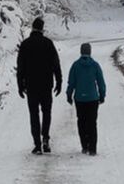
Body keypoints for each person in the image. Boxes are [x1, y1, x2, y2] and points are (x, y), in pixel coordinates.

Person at [16, 17, 62, 154]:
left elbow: (20, 67)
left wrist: (20, 85)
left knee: (34, 114)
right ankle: (45, 138)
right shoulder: (48, 43)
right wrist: (59, 81)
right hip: (46, 85)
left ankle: (37, 143)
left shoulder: (25, 44)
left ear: (32, 28)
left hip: (31, 86)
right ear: (42, 29)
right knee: (46, 112)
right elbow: (56, 64)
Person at [65, 42, 106, 155]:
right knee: (92, 123)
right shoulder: (95, 65)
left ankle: (84, 146)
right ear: (90, 51)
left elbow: (71, 82)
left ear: (81, 51)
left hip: (80, 99)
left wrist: (69, 95)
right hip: (93, 99)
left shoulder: (75, 65)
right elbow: (101, 82)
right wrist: (102, 95)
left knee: (81, 122)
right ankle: (92, 148)